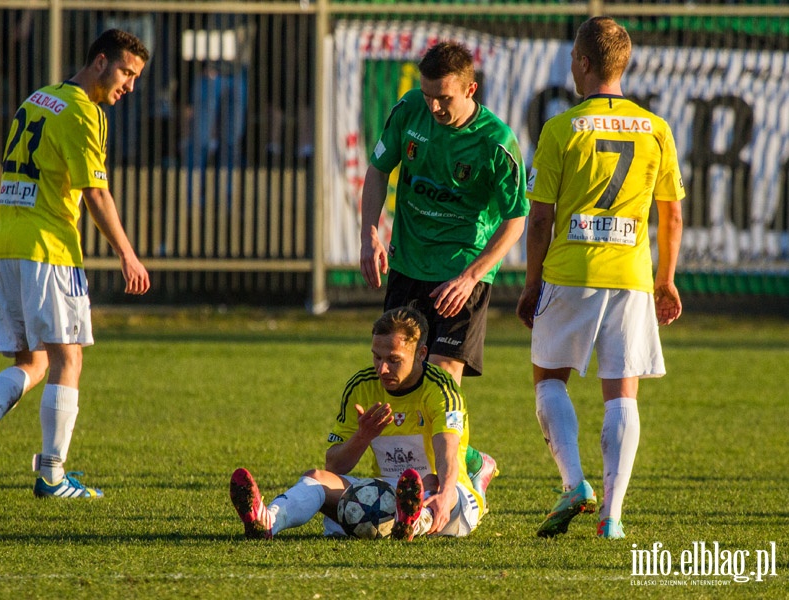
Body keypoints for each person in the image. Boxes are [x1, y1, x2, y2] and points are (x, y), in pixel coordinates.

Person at [0, 29, 152, 499]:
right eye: (126, 72)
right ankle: (52, 474)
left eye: (136, 77)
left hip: (4, 244)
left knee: (33, 360)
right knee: (69, 357)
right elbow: (96, 192)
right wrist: (128, 254)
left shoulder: (39, 97)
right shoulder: (87, 113)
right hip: (48, 247)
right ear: (100, 62)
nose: (130, 86)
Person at [516, 17, 684, 540]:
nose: (569, 63)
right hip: (631, 275)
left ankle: (574, 484)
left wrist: (530, 282)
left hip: (570, 271)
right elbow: (672, 215)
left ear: (585, 63)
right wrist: (666, 279)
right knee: (622, 396)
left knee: (549, 380)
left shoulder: (560, 128)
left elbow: (539, 218)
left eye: (572, 55)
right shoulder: (656, 128)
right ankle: (612, 517)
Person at [358, 40, 530, 507]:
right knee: (404, 381)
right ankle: (471, 463)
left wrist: (473, 276)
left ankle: (450, 493)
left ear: (471, 88)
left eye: (445, 98)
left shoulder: (496, 141)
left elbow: (516, 218)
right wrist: (370, 234)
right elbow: (377, 171)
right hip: (409, 266)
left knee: (442, 382)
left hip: (461, 276)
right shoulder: (409, 111)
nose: (434, 106)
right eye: (428, 94)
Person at [230, 307, 486, 541]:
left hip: (448, 496)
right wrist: (362, 436)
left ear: (421, 354)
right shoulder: (362, 386)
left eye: (394, 360)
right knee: (316, 478)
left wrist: (443, 494)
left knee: (433, 481)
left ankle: (413, 522)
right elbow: (335, 465)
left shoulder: (442, 389)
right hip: (385, 492)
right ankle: (267, 521)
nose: (382, 369)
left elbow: (448, 452)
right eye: (376, 357)